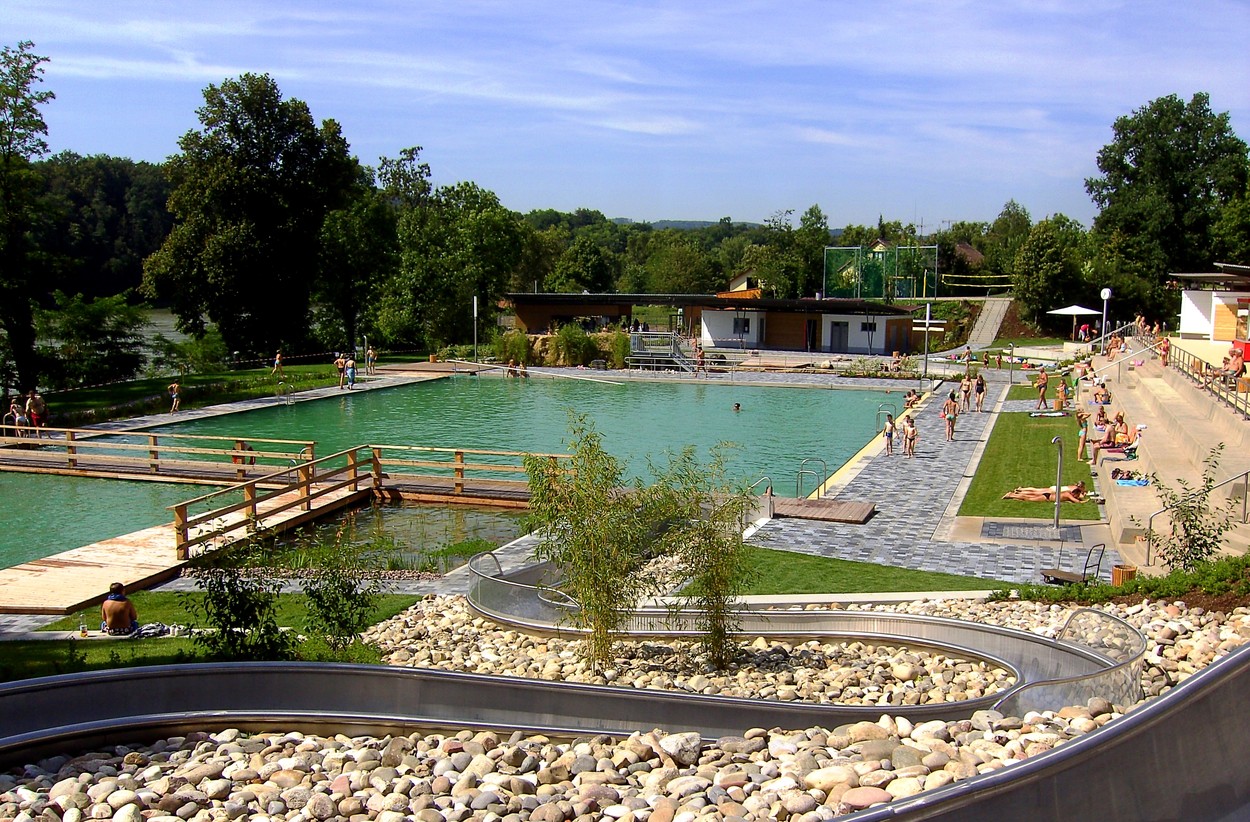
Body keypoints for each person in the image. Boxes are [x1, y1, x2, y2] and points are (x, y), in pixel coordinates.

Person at [1002, 481, 1088, 503]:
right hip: (1050, 494)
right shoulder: (1070, 494)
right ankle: (1012, 495)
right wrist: (1085, 500)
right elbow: (1076, 500)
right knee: (1030, 497)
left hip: (1052, 492)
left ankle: (1019, 492)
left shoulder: (1071, 489)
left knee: (1034, 492)